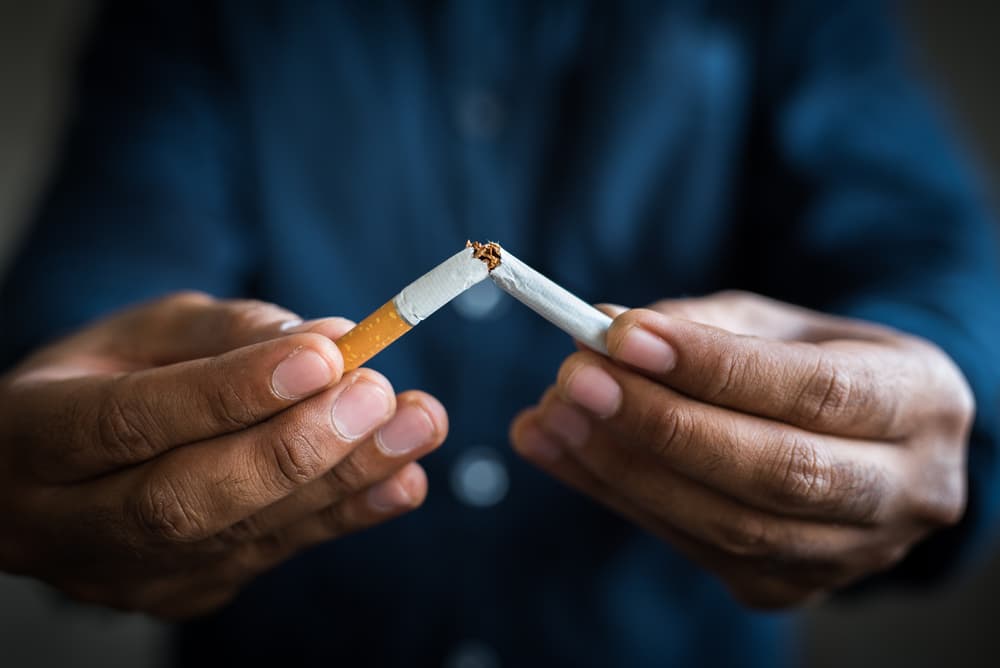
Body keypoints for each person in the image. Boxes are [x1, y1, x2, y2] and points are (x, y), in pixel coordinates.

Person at [2, 1, 999, 666]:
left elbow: (930, 261)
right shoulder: (198, 17)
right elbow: (93, 292)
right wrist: (75, 442)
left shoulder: (790, 17)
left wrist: (919, 383)